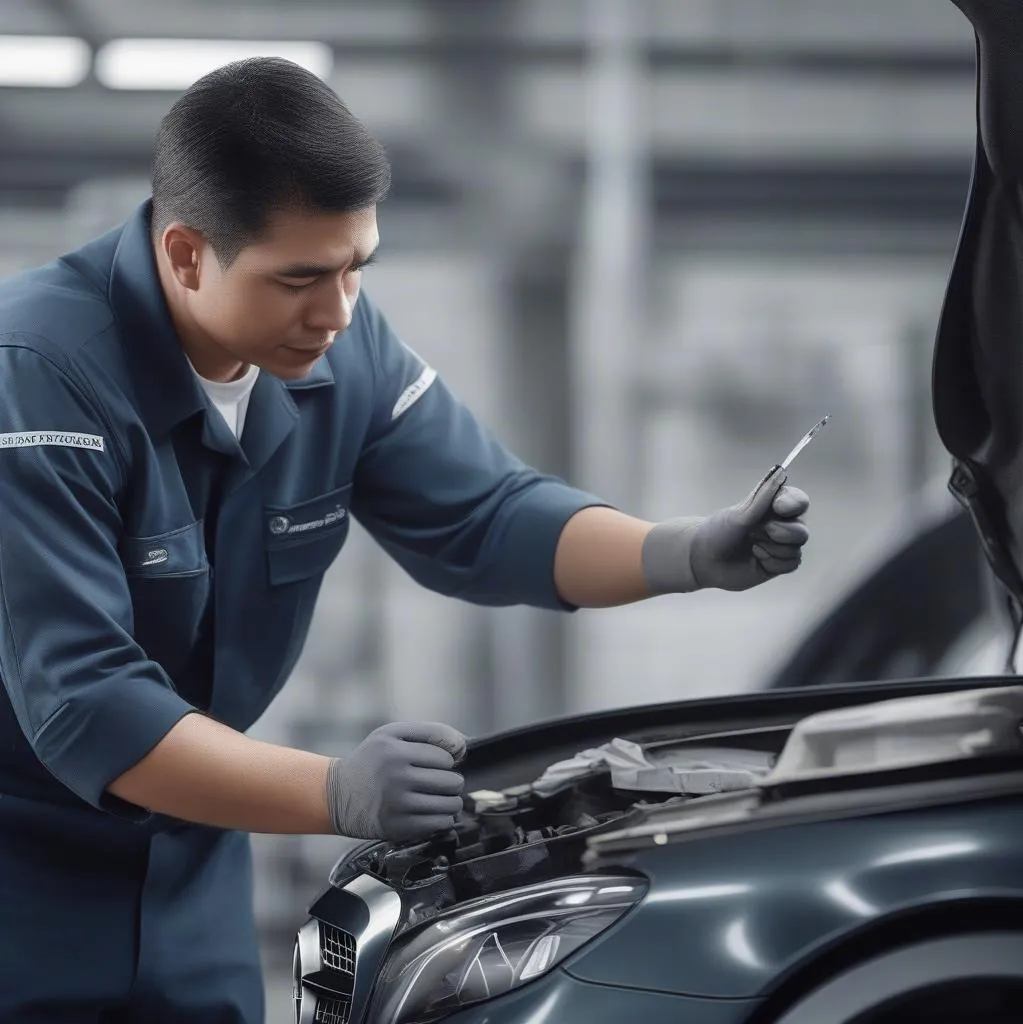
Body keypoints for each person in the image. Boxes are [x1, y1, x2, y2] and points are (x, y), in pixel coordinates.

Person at [0, 58, 810, 1023]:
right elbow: (88, 704)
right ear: (184, 254)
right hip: (21, 872)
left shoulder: (342, 345)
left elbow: (488, 515)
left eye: (356, 268)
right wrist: (338, 793)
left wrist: (681, 551)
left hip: (195, 859)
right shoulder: (39, 376)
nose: (337, 312)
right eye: (299, 278)